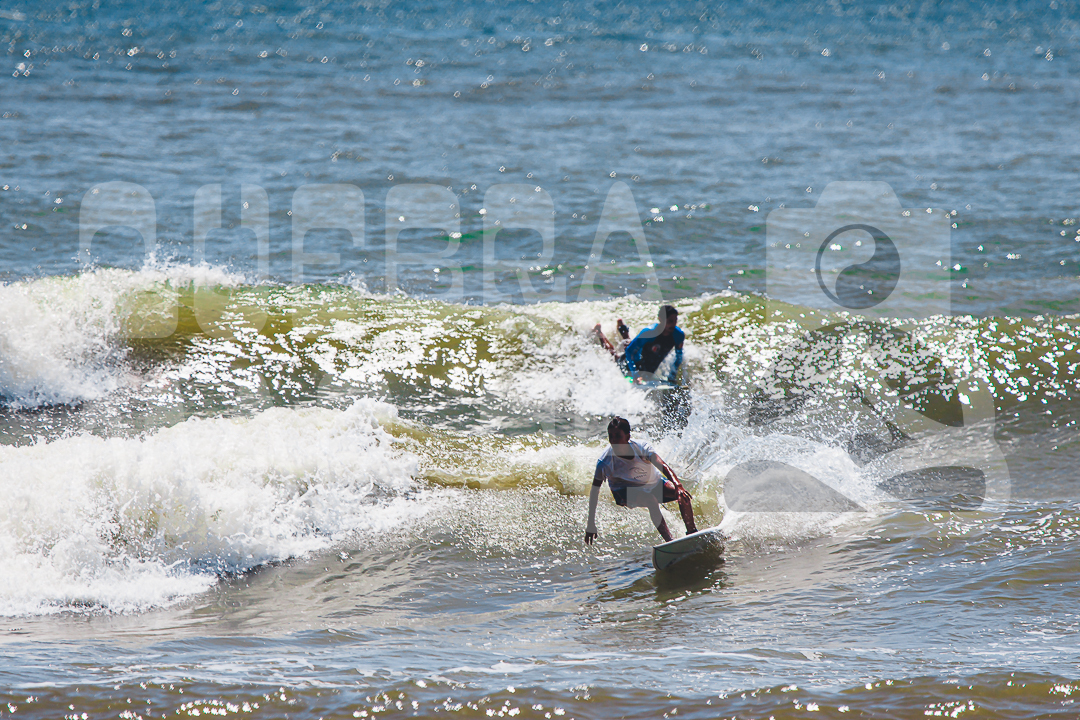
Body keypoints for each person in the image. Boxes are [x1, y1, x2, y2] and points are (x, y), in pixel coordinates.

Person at [585, 416, 697, 545]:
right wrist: (591, 523)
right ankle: (670, 542)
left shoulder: (642, 448)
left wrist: (678, 485)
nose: (614, 441)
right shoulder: (605, 461)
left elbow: (662, 465)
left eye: (618, 436)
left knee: (682, 495)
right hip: (624, 491)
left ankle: (692, 533)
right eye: (611, 436)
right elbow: (595, 491)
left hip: (653, 483)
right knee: (650, 500)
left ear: (628, 436)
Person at [624, 305, 684, 384]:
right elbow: (629, 351)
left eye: (675, 321)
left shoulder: (678, 335)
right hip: (631, 366)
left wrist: (672, 377)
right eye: (670, 321)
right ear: (660, 319)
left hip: (649, 372)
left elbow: (679, 357)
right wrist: (635, 375)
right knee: (616, 356)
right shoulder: (649, 332)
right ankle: (620, 330)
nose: (673, 324)